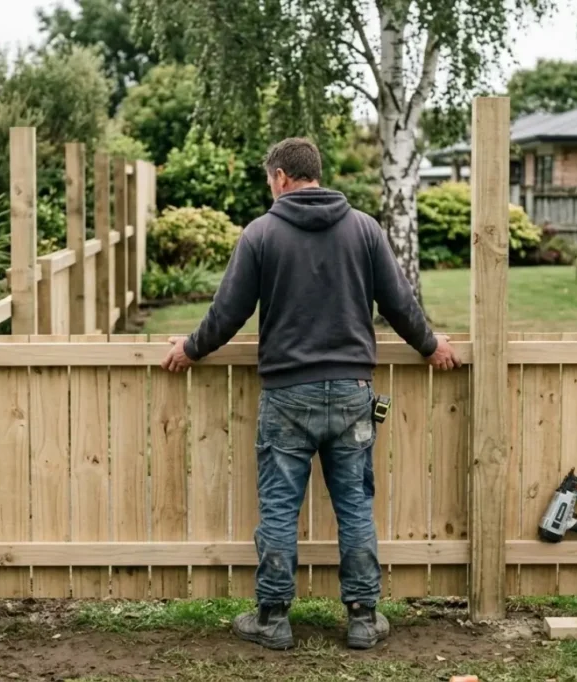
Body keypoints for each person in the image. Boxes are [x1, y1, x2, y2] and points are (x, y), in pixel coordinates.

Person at [160, 137, 462, 650]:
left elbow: (228, 313)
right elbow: (399, 303)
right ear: (315, 174)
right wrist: (432, 346)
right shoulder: (364, 229)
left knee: (279, 509)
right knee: (355, 507)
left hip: (287, 396)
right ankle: (364, 619)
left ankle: (273, 620)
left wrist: (190, 349)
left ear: (280, 177)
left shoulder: (261, 234)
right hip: (351, 395)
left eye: (268, 180)